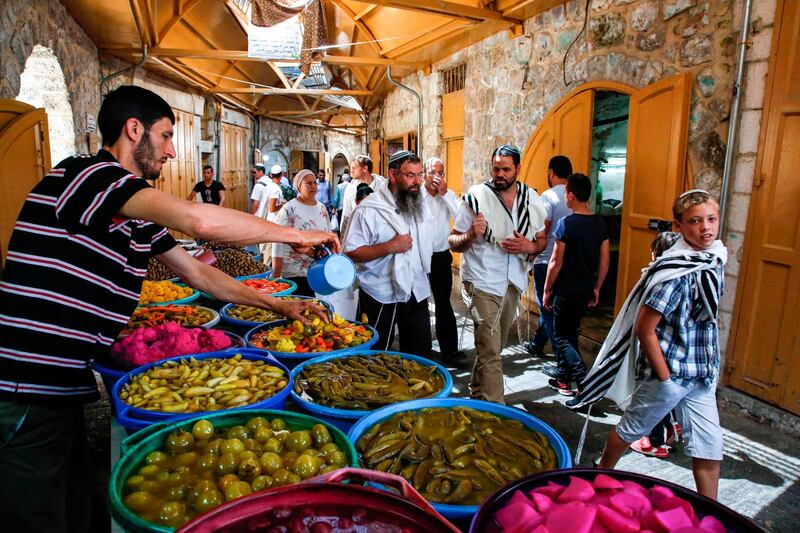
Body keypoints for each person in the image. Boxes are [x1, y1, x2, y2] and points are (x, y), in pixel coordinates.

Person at [0, 85, 338, 532]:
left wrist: (279, 304)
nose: (171, 151)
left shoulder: (134, 213)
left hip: (60, 383)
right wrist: (296, 235)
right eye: (165, 136)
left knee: (73, 502)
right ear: (133, 129)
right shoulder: (88, 175)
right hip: (23, 382)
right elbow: (198, 221)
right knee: (37, 515)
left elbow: (200, 275)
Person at [579, 190, 726, 500]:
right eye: (695, 221)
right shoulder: (676, 273)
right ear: (679, 225)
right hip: (672, 373)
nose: (706, 228)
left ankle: (711, 509)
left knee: (709, 444)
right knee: (631, 428)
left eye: (711, 219)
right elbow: (645, 327)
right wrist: (665, 376)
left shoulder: (713, 259)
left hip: (700, 373)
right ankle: (602, 470)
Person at [449, 145, 547, 404]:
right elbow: (453, 241)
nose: (500, 174)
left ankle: (476, 388)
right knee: (492, 350)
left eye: (506, 169)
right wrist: (471, 234)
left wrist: (531, 247)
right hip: (482, 281)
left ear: (517, 169)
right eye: (496, 169)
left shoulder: (530, 199)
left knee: (494, 345)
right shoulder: (476, 197)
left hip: (513, 281)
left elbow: (542, 240)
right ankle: (497, 411)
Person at [344, 150, 432, 357]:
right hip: (379, 293)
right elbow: (351, 252)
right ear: (393, 175)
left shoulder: (418, 204)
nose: (416, 182)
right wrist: (389, 247)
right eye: (410, 175)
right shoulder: (368, 209)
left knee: (420, 354)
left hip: (415, 288)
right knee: (374, 354)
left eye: (419, 175)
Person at [543, 173, 610, 396]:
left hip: (565, 289)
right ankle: (564, 378)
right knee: (571, 332)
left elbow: (555, 261)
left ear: (570, 195)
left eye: (566, 194)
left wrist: (547, 289)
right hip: (584, 289)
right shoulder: (599, 223)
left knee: (562, 335)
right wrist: (598, 287)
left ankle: (582, 376)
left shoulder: (566, 224)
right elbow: (604, 260)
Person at [629, 231, 683, 459]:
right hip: (678, 351)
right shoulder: (689, 276)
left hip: (657, 352)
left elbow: (644, 326)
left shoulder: (658, 280)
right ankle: (673, 425)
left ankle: (653, 442)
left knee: (654, 395)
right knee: (669, 393)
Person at [523, 155, 573, 360]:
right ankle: (537, 343)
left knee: (547, 309)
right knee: (551, 306)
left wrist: (531, 256)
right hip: (566, 261)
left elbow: (541, 231)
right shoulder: (574, 196)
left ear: (551, 172)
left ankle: (563, 360)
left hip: (547, 260)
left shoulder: (548, 197)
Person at [422, 157, 465, 363]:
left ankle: (450, 350)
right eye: (433, 172)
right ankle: (421, 350)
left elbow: (462, 219)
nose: (436, 177)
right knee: (419, 303)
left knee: (443, 304)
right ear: (424, 174)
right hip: (418, 257)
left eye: (441, 173)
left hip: (440, 256)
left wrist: (446, 194)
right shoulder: (416, 195)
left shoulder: (447, 195)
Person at [272, 170, 332, 297]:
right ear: (299, 186)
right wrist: (276, 271)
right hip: (294, 270)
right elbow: (278, 240)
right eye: (308, 183)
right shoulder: (289, 209)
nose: (313, 186)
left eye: (314, 183)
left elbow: (327, 235)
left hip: (317, 269)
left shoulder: (322, 208)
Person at [339, 155, 387, 236]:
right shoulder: (350, 188)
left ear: (365, 168)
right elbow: (346, 216)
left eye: (354, 168)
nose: (351, 171)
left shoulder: (383, 185)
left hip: (382, 236)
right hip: (358, 235)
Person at [255, 164, 287, 264]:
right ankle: (268, 272)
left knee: (269, 249)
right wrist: (283, 204)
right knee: (271, 249)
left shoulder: (269, 186)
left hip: (269, 220)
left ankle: (267, 268)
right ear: (281, 175)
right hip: (274, 221)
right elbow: (272, 208)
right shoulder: (276, 189)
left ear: (271, 175)